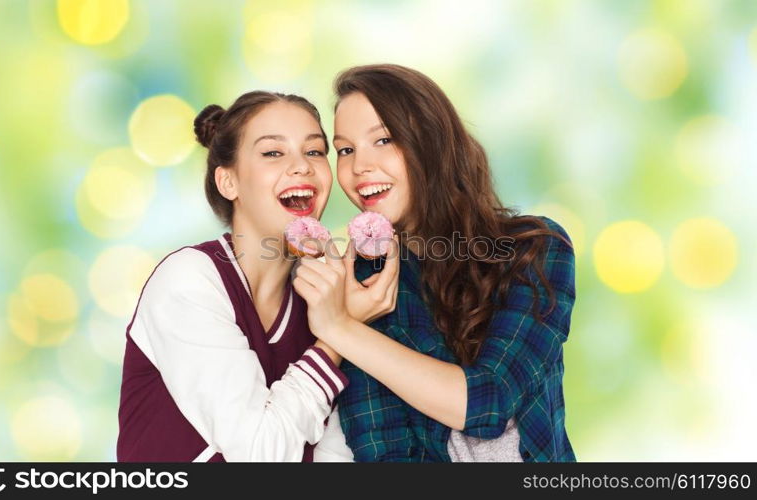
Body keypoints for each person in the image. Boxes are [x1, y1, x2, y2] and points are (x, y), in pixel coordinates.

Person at [292, 64, 576, 462]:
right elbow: (385, 453)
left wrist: (340, 326)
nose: (359, 167)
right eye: (345, 149)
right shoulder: (364, 286)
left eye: (384, 139)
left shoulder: (534, 249)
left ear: (432, 141)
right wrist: (345, 320)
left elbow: (489, 402)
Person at [117, 91, 353, 462]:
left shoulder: (323, 300)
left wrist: (341, 323)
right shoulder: (189, 282)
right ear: (229, 183)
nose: (303, 166)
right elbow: (259, 454)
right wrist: (338, 337)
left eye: (314, 151)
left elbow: (336, 456)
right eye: (273, 153)